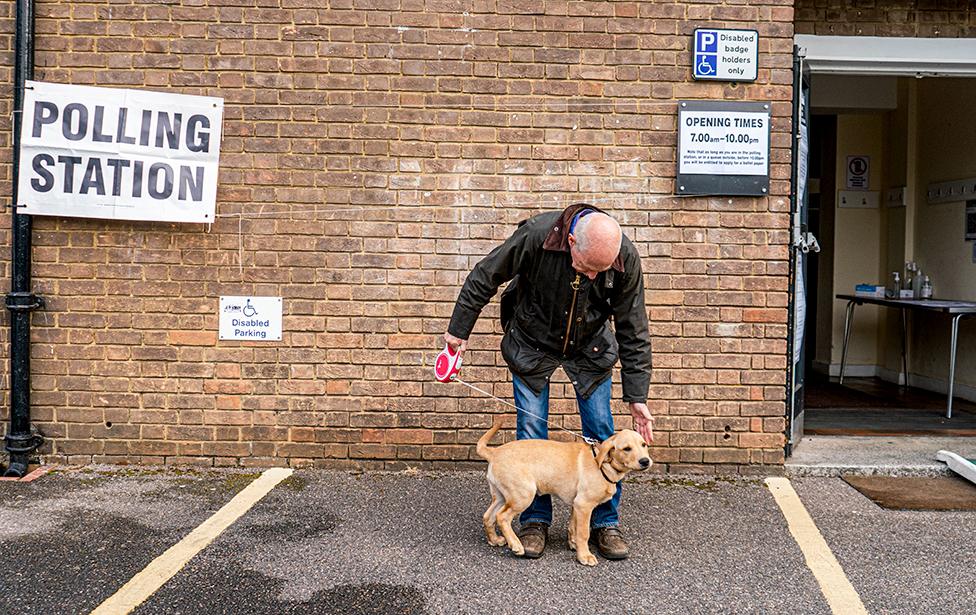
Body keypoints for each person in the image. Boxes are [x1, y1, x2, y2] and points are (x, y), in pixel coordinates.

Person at [444, 203, 653, 560]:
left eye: (598, 271)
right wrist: (457, 332)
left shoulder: (624, 257)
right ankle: (535, 522)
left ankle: (605, 523)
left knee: (603, 431)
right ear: (571, 241)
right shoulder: (536, 236)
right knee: (531, 434)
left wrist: (636, 396)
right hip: (532, 341)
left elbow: (634, 327)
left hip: (591, 346)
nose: (590, 277)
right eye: (586, 267)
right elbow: (484, 276)